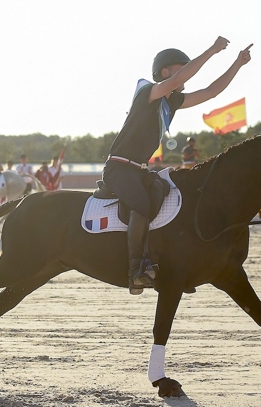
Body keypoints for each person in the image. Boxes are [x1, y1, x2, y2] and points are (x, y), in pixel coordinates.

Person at [103, 37, 252, 294]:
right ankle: (135, 272)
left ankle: (169, 264)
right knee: (141, 203)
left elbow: (212, 91)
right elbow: (175, 81)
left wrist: (237, 64)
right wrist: (212, 50)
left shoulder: (170, 102)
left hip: (139, 170)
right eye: (181, 69)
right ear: (164, 72)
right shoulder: (146, 91)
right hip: (118, 169)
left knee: (173, 195)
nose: (185, 77)